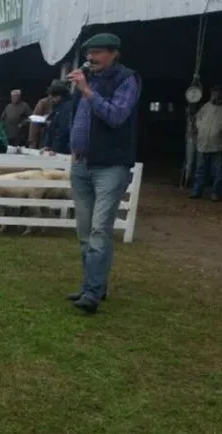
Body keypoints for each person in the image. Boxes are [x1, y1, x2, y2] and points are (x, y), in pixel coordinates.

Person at [65, 32, 142, 314]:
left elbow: (116, 116)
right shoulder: (87, 81)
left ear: (113, 54)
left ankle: (92, 293)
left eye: (97, 53)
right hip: (81, 164)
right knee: (85, 232)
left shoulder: (126, 80)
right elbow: (78, 119)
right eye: (89, 53)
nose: (90, 58)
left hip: (110, 166)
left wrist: (87, 90)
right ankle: (94, 285)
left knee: (99, 230)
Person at [191, 85, 222, 201]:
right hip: (203, 144)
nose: (215, 95)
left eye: (217, 92)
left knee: (218, 171)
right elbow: (198, 117)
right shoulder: (207, 106)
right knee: (200, 170)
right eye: (213, 93)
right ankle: (196, 191)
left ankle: (215, 193)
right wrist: (200, 127)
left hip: (219, 145)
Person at [40, 83, 74, 155]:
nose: (51, 100)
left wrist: (55, 148)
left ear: (59, 96)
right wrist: (47, 145)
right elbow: (52, 127)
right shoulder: (57, 107)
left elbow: (63, 130)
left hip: (61, 150)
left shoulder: (66, 108)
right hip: (53, 147)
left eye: (52, 98)